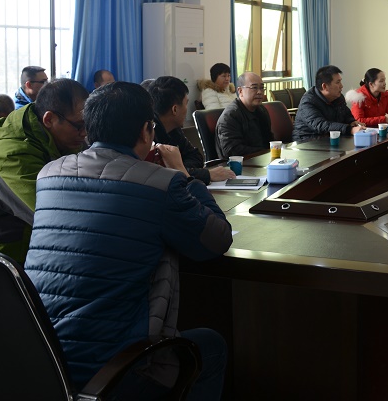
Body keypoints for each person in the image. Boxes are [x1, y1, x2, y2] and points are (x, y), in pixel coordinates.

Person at [24, 81, 232, 400]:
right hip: (114, 371)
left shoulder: (48, 174)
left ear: (89, 128)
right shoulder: (162, 184)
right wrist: (184, 175)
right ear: (147, 131)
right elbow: (217, 239)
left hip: (44, 361)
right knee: (211, 346)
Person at [0, 79, 89, 263]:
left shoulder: (64, 141)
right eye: (79, 125)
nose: (84, 133)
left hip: (38, 247)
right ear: (49, 119)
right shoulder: (12, 155)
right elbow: (53, 213)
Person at [149, 76, 235, 184]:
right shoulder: (148, 135)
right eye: (186, 103)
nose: (187, 108)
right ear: (175, 109)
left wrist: (181, 167)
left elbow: (196, 157)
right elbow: (162, 175)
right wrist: (206, 174)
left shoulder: (173, 129)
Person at [292, 65, 367, 142]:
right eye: (338, 82)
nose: (341, 86)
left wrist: (351, 122)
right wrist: (350, 129)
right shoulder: (308, 102)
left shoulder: (337, 97)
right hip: (307, 141)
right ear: (325, 86)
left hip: (330, 138)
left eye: (340, 81)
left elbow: (345, 114)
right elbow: (321, 125)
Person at [216, 72, 272, 158]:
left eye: (262, 88)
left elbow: (269, 139)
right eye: (254, 88)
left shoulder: (261, 110)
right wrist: (264, 152)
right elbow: (232, 150)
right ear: (240, 91)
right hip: (240, 163)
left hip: (261, 159)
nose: (259, 92)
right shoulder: (230, 116)